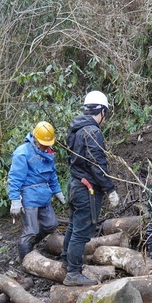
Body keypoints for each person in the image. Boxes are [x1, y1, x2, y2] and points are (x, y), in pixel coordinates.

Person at [60, 91, 120, 286]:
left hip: (75, 184)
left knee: (73, 225)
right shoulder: (93, 132)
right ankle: (73, 273)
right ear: (102, 111)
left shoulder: (75, 130)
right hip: (86, 188)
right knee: (82, 230)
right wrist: (110, 189)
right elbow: (97, 164)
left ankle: (67, 260)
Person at [8, 121, 66, 261]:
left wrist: (57, 191)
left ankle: (31, 242)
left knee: (51, 224)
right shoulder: (23, 153)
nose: (45, 146)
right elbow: (15, 178)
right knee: (31, 231)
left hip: (44, 196)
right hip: (29, 197)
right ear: (35, 138)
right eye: (43, 143)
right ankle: (26, 259)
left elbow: (52, 175)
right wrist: (15, 199)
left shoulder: (49, 153)